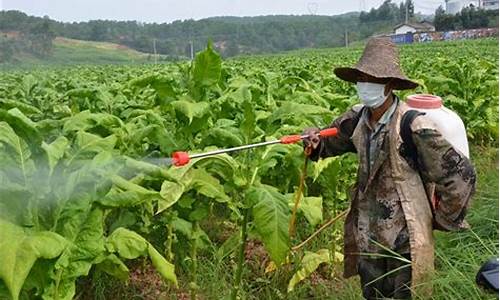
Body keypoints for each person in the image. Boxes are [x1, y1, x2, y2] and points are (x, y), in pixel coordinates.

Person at [303, 37, 476, 299]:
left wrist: (440, 219)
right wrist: (313, 141)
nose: (365, 85)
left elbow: (461, 175)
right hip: (368, 238)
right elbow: (328, 143)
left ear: (390, 85)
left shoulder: (413, 126)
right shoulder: (356, 119)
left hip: (404, 241)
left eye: (373, 79)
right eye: (362, 78)